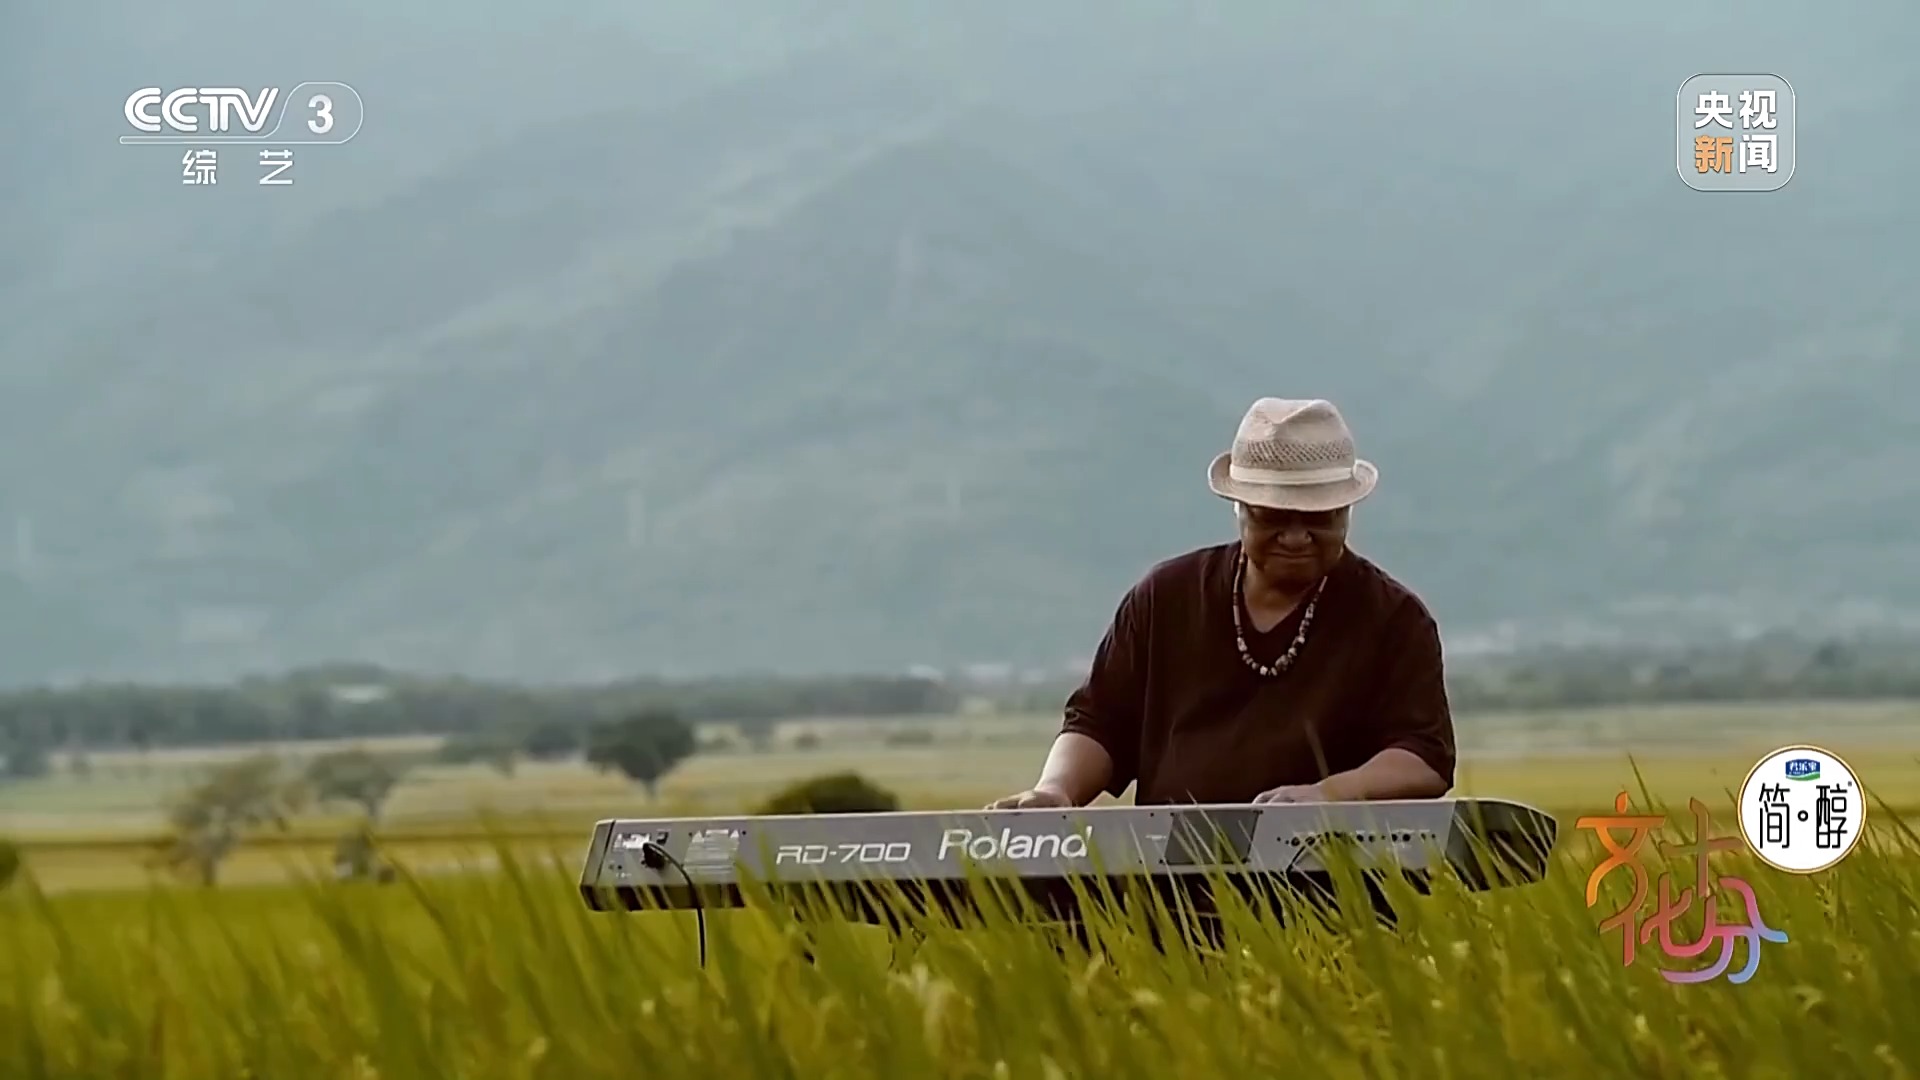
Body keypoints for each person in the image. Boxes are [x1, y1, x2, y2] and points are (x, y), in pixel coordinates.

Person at [990, 396, 1456, 811]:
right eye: (1273, 517)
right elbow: (1100, 722)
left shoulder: (1394, 619)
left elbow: (1423, 757)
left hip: (1330, 882)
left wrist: (1324, 796)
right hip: (1165, 882)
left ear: (1347, 512)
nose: (1296, 538)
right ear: (1240, 508)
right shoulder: (1165, 598)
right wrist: (1056, 791)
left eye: (1319, 518)